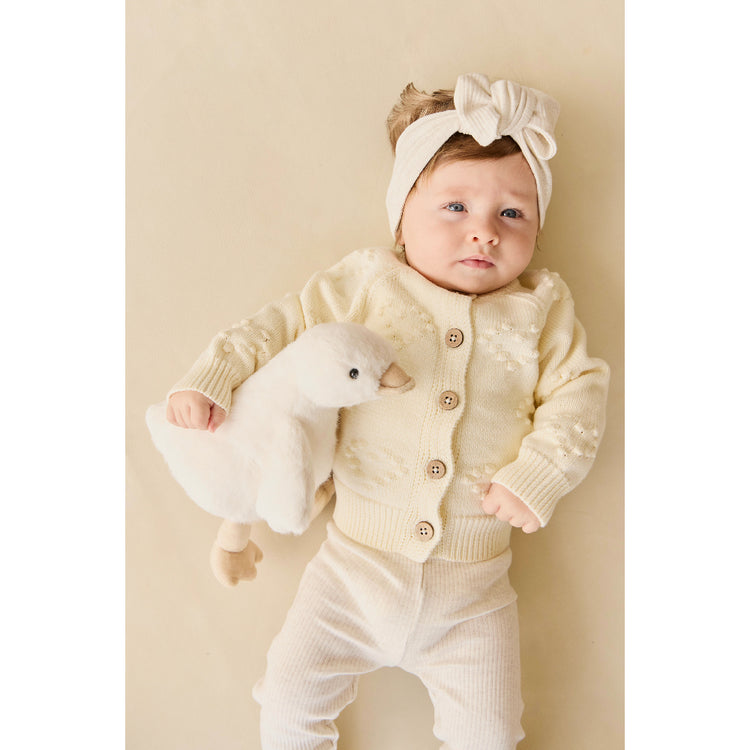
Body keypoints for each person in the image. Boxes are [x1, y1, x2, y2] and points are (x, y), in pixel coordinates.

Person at [165, 73, 610, 750]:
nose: (484, 233)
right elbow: (282, 328)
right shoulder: (369, 284)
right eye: (455, 207)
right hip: (351, 570)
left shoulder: (541, 309)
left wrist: (539, 474)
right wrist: (214, 378)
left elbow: (580, 393)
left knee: (491, 734)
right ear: (401, 220)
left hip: (474, 592)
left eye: (513, 215)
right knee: (288, 698)